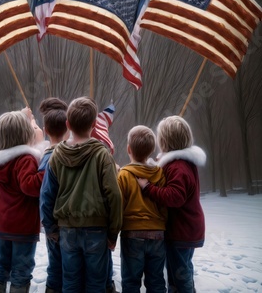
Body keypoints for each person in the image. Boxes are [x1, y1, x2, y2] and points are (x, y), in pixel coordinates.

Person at [40, 96, 123, 293]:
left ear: (67, 124)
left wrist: (51, 229)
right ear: (94, 125)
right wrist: (113, 232)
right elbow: (115, 196)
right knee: (96, 284)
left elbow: (46, 197)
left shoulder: (56, 156)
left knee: (70, 284)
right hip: (97, 231)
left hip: (67, 233)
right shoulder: (103, 155)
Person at [137, 115, 206, 293]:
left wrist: (147, 188)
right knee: (179, 272)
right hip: (185, 230)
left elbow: (174, 197)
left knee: (180, 276)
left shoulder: (179, 167)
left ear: (165, 140)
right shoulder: (180, 164)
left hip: (181, 232)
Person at [0, 110, 47, 293]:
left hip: (1, 224)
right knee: (21, 269)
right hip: (21, 225)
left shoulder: (0, 160)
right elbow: (30, 186)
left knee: (1, 265)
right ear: (25, 135)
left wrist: (24, 118)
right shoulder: (25, 159)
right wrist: (45, 170)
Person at [118, 125, 167, 293]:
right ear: (152, 150)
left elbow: (119, 205)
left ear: (128, 149)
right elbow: (164, 204)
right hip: (157, 234)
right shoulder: (160, 174)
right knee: (156, 281)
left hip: (132, 235)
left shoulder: (124, 174)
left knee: (131, 282)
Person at [38, 98, 69, 293]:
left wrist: (49, 227)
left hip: (56, 225)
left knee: (56, 267)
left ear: (45, 130)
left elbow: (45, 197)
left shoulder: (47, 160)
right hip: (72, 223)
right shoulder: (73, 155)